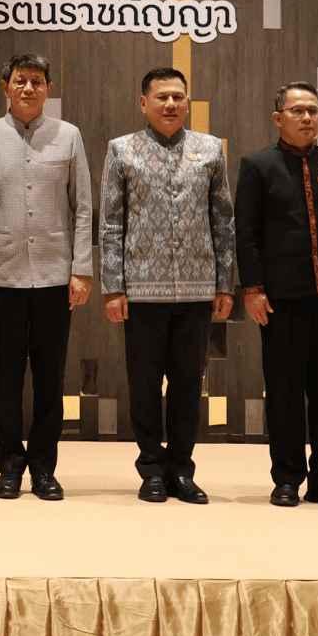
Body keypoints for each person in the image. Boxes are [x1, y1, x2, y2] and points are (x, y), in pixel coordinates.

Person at [99, 69, 235, 504]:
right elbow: (111, 223)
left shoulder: (210, 149)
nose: (171, 104)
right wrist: (112, 287)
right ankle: (151, 470)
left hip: (197, 289)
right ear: (144, 103)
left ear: (187, 101)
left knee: (187, 386)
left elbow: (224, 221)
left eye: (178, 97)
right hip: (139, 292)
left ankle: (182, 470)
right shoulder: (122, 150)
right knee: (143, 385)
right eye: (162, 97)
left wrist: (224, 283)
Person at [236, 82, 318, 509]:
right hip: (281, 297)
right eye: (297, 111)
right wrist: (253, 289)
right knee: (284, 389)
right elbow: (247, 234)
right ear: (279, 118)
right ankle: (288, 477)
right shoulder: (258, 165)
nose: (307, 118)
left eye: (313, 111)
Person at [0, 53, 93, 500]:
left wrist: (81, 270)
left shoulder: (68, 136)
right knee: (4, 378)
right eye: (20, 81)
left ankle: (43, 466)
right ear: (5, 86)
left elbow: (82, 207)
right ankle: (9, 465)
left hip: (56, 277)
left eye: (37, 81)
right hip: (1, 276)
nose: (28, 89)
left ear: (48, 88)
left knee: (49, 378)